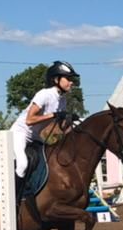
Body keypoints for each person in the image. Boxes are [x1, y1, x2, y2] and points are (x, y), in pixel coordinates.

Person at [11, 60, 78, 188]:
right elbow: (29, 120)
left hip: (35, 136)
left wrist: (71, 121)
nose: (71, 82)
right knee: (22, 164)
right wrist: (53, 115)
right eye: (68, 79)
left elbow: (62, 127)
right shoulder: (44, 94)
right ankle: (16, 197)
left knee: (49, 160)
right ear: (56, 79)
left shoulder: (62, 99)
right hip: (20, 133)